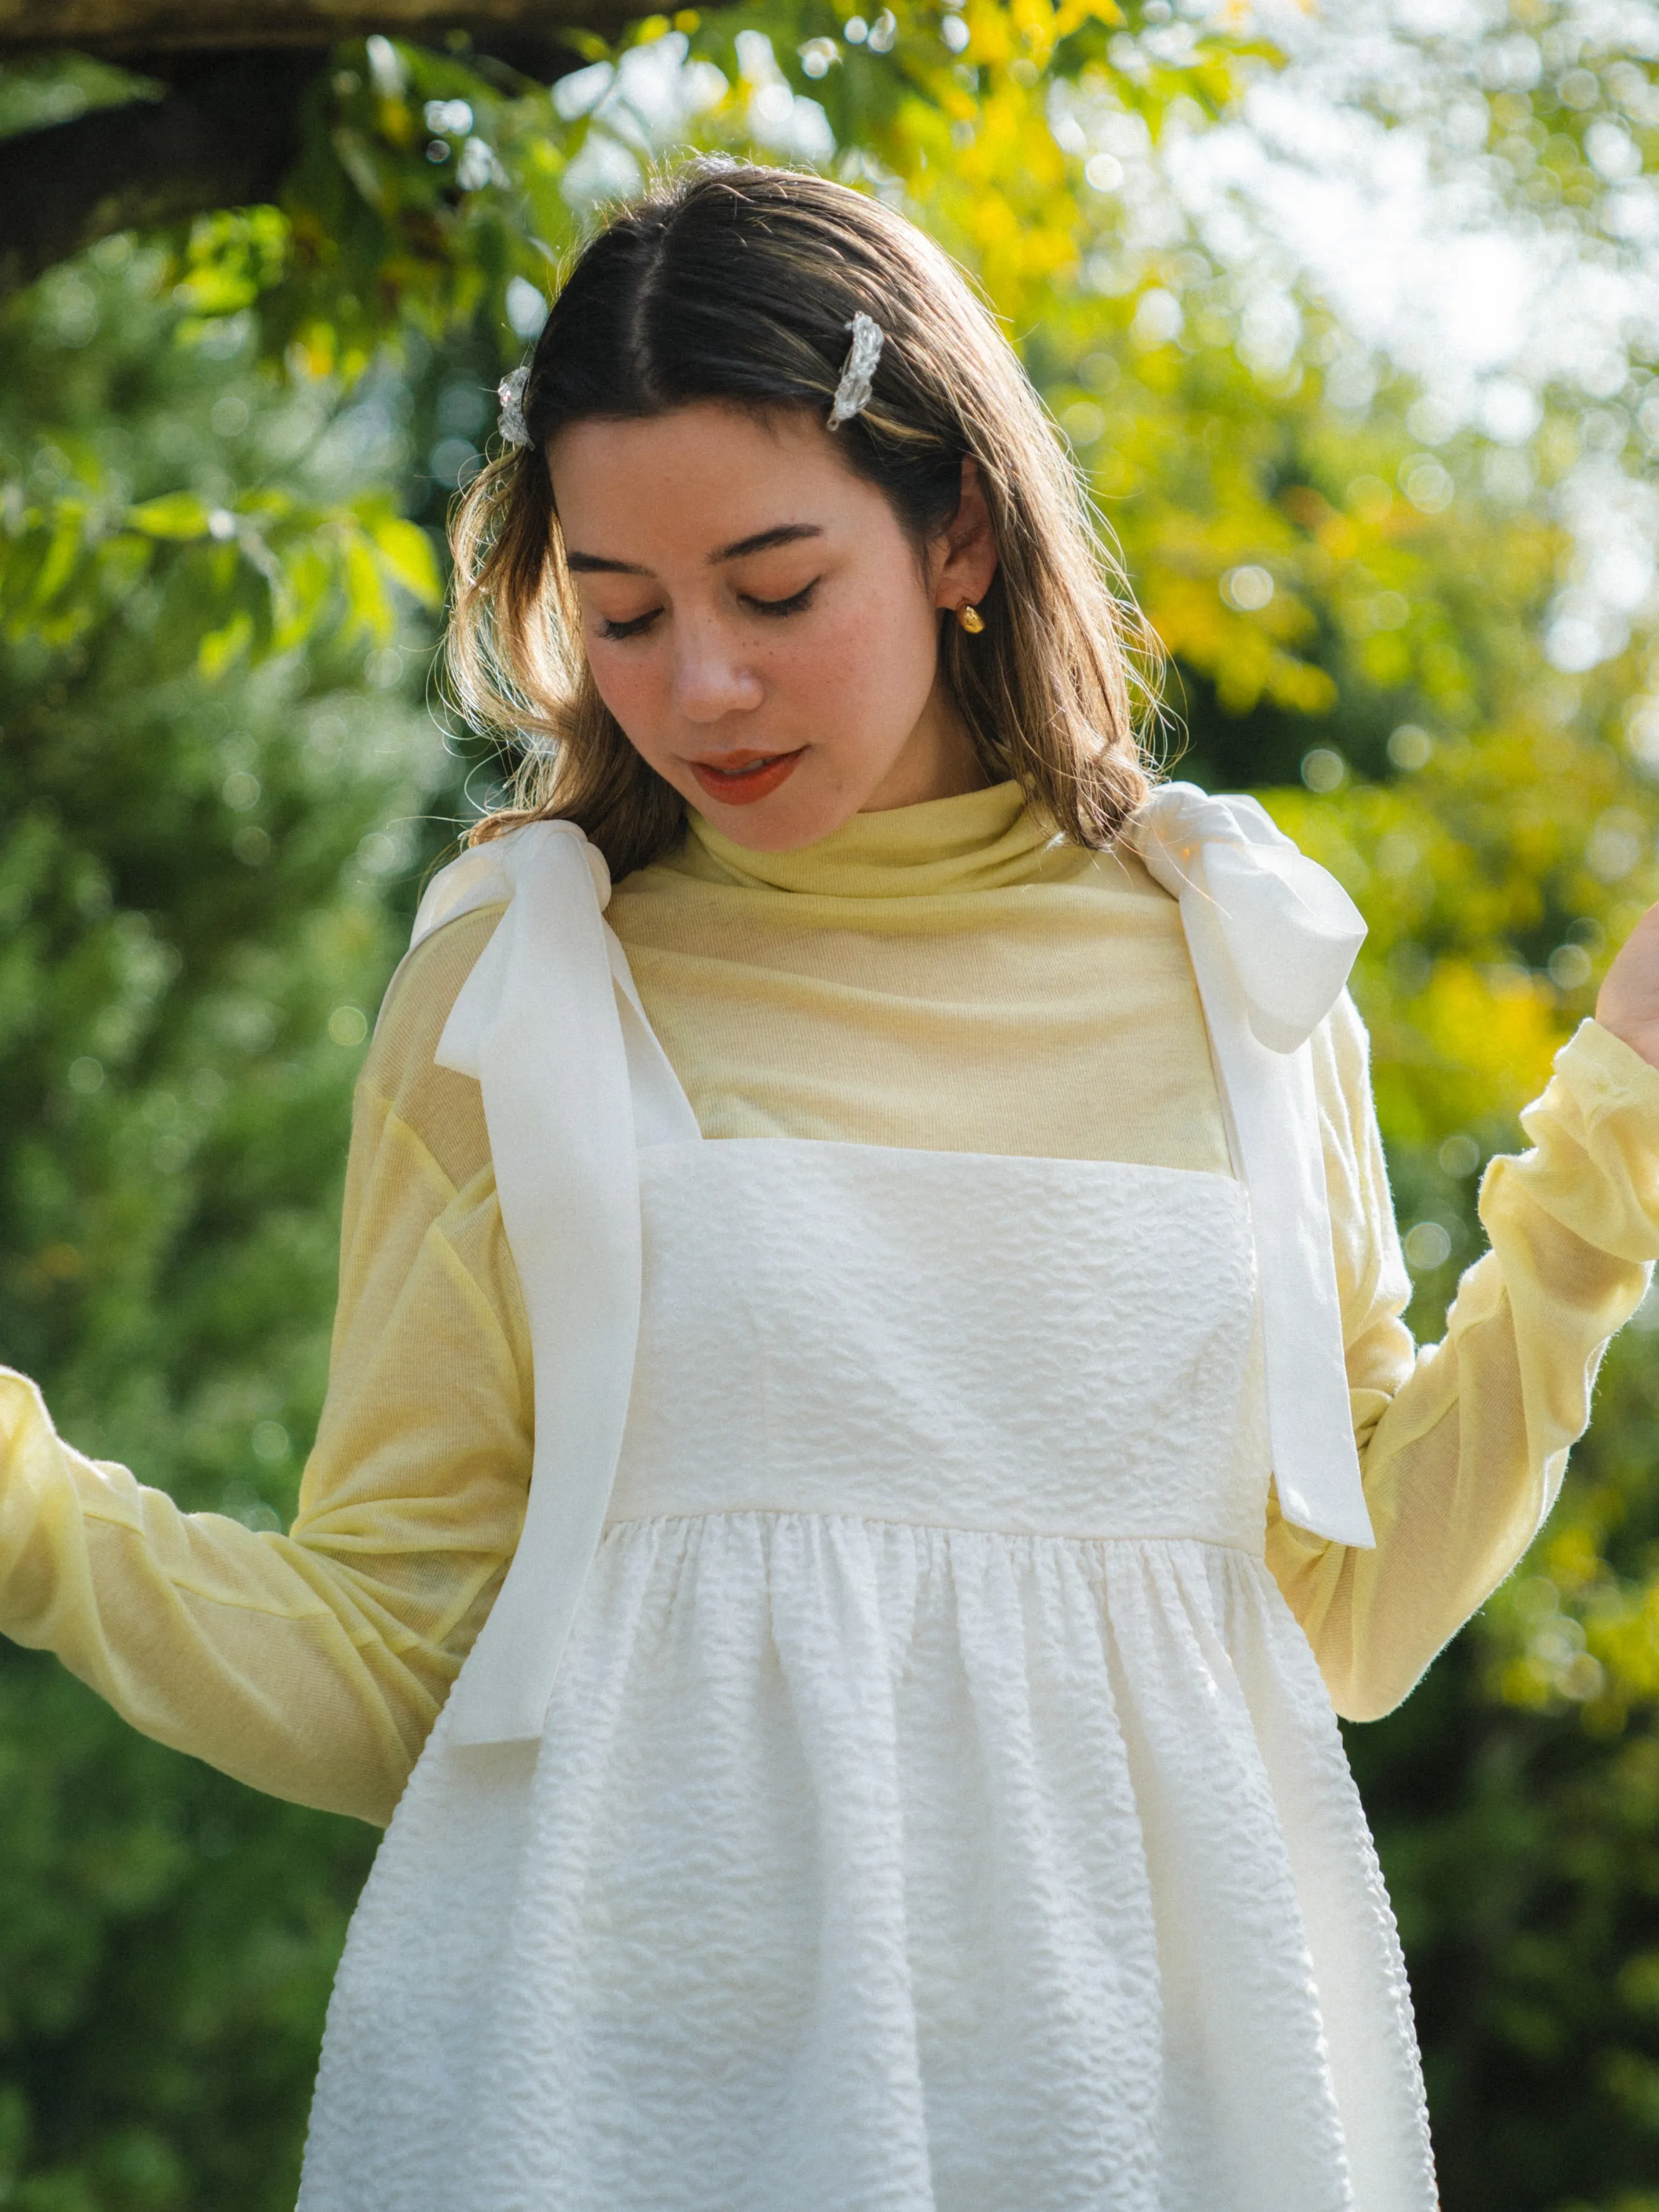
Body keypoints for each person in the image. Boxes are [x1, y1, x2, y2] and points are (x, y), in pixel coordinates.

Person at [5, 159, 1659, 2212]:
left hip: (1159, 2107)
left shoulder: (1240, 962)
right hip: (625, 2095)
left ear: (957, 525)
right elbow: (405, 1664)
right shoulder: (517, 986)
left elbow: (1348, 1613)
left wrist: (1625, 1124)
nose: (698, 685)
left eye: (775, 591)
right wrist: (33, 1516)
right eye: (621, 615)